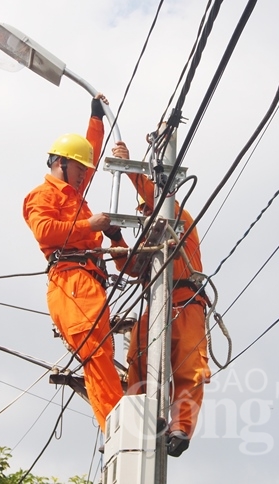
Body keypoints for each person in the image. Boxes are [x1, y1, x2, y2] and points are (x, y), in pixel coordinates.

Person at [23, 94, 125, 432]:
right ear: (61, 164)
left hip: (90, 281)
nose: (85, 175)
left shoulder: (75, 192)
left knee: (101, 354)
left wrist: (96, 118)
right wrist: (89, 226)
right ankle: (118, 420)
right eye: (79, 169)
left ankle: (116, 419)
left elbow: (87, 153)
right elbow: (45, 230)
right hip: (69, 280)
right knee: (96, 353)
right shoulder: (44, 195)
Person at [108, 139, 211, 457]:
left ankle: (180, 427)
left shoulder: (179, 218)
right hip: (155, 305)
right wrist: (116, 238)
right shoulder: (150, 237)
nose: (144, 216)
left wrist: (129, 169)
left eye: (146, 212)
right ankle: (143, 418)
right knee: (138, 358)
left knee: (189, 367)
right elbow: (134, 268)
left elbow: (157, 197)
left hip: (186, 300)